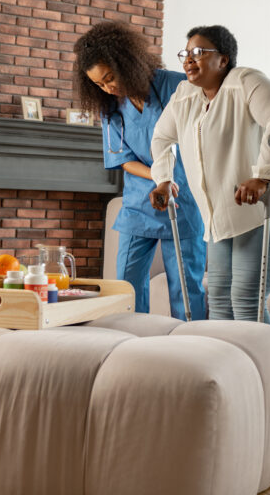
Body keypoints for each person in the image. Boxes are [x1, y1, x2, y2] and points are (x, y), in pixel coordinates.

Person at [149, 25, 270, 323]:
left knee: (246, 300)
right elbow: (161, 137)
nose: (188, 60)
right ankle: (228, 367)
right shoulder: (185, 95)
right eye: (185, 53)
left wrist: (262, 177)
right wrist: (164, 179)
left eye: (198, 52)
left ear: (223, 60)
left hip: (268, 211)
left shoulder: (245, 81)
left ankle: (264, 369)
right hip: (222, 219)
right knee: (219, 300)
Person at [74, 22, 206, 320]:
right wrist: (159, 177)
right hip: (139, 201)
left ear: (126, 62)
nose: (108, 88)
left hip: (183, 199)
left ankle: (191, 344)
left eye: (110, 78)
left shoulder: (178, 86)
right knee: (126, 284)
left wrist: (171, 179)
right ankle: (132, 342)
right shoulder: (111, 108)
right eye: (99, 84)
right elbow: (123, 159)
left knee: (185, 286)